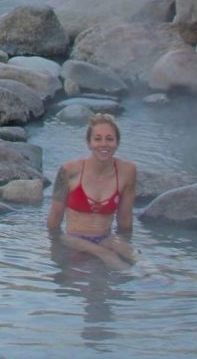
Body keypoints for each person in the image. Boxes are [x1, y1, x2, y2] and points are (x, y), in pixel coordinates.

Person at [46, 113, 137, 267]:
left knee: (140, 262)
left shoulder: (127, 172)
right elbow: (54, 222)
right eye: (97, 139)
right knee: (109, 257)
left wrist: (125, 246)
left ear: (117, 143)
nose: (104, 144)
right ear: (89, 143)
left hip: (106, 238)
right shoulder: (69, 171)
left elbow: (125, 222)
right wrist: (55, 251)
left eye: (109, 139)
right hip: (73, 238)